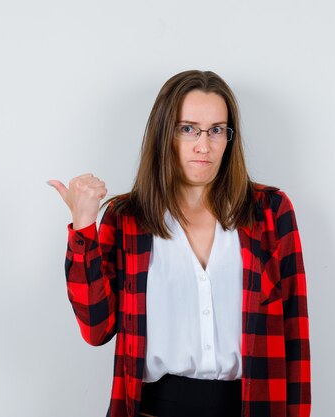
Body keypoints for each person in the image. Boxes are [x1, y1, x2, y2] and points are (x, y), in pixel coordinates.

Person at [48, 70, 311, 417]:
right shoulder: (127, 218)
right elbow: (97, 328)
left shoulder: (271, 212)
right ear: (164, 134)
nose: (204, 145)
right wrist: (84, 226)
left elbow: (295, 335)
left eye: (216, 130)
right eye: (188, 129)